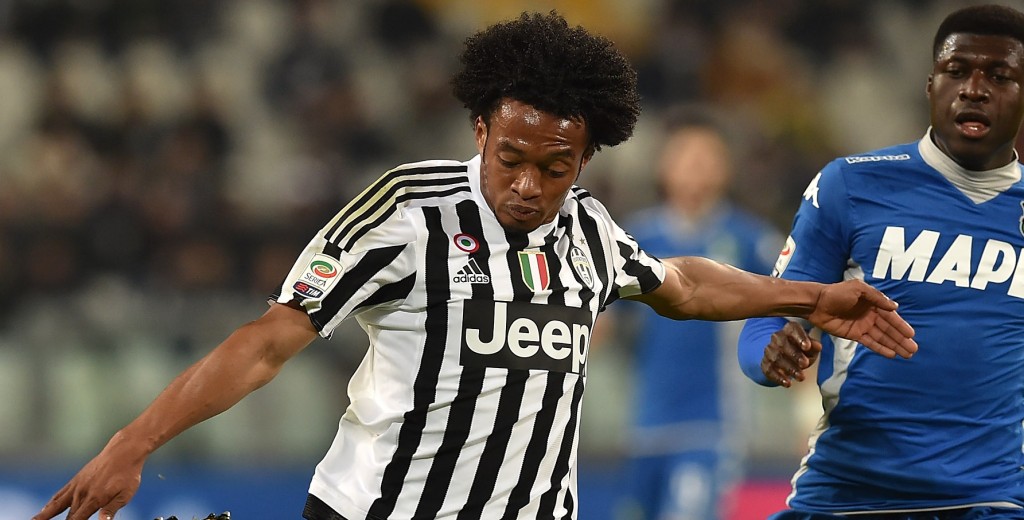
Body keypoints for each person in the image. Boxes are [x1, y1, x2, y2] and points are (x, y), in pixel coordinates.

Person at [34, 11, 916, 520]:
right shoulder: (405, 211)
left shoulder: (590, 230)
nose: (528, 185)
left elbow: (679, 284)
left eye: (555, 168)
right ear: (480, 130)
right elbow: (268, 342)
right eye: (511, 158)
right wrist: (132, 442)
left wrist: (813, 297)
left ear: (586, 160)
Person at [737, 4, 1024, 519]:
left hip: (991, 499)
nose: (974, 89)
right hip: (847, 494)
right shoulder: (851, 184)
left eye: (999, 76)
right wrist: (770, 355)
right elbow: (766, 320)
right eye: (956, 71)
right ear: (930, 85)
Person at [613, 108, 782, 520]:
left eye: (707, 156)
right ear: (663, 164)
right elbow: (603, 321)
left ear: (725, 167)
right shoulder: (633, 238)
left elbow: (792, 308)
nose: (695, 165)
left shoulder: (749, 240)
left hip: (713, 422)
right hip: (646, 424)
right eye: (685, 154)